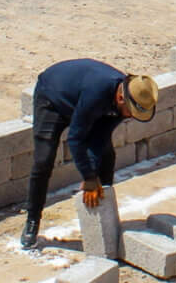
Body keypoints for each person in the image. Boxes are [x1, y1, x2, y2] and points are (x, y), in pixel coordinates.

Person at [21, 60, 160, 250]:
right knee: (43, 160)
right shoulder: (98, 91)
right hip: (52, 98)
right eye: (131, 112)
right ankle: (32, 220)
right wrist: (89, 177)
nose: (129, 116)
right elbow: (75, 138)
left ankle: (104, 217)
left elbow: (100, 137)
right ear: (121, 99)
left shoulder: (125, 96)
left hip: (81, 103)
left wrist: (93, 175)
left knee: (106, 155)